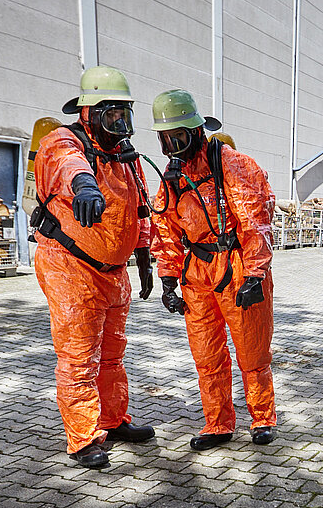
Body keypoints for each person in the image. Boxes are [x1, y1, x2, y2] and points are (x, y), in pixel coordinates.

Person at [30, 66, 156, 469]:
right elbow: (68, 163)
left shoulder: (125, 157)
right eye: (110, 114)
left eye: (123, 114)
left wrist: (143, 258)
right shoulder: (62, 142)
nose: (119, 123)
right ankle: (83, 437)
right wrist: (84, 185)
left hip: (114, 273)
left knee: (113, 354)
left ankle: (113, 419)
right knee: (79, 357)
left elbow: (139, 209)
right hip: (71, 268)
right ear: (88, 113)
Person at [148, 90, 277, 450]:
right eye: (165, 139)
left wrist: (255, 274)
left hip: (236, 267)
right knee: (207, 355)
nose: (171, 147)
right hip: (197, 273)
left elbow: (255, 221)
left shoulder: (233, 165)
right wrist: (168, 278)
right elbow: (166, 228)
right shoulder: (172, 178)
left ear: (196, 131)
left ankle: (262, 418)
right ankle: (218, 423)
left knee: (252, 352)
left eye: (177, 138)